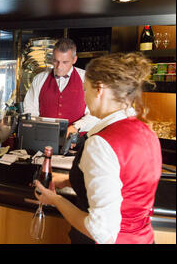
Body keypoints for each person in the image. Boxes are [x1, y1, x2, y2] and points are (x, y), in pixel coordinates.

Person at [34, 53, 162, 244]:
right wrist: (69, 181)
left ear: (99, 89)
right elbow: (124, 184)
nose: (85, 97)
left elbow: (100, 231)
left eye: (86, 90)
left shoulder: (101, 143)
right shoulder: (147, 131)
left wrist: (55, 200)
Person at [23, 38, 98, 135]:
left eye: (65, 62)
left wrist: (76, 127)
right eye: (56, 61)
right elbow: (30, 109)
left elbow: (95, 113)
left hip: (76, 141)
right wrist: (38, 128)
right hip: (43, 138)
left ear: (74, 59)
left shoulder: (86, 78)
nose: (59, 66)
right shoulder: (39, 79)